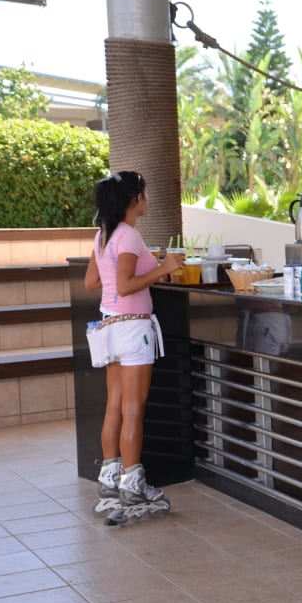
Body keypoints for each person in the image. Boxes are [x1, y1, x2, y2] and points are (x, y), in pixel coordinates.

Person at [84, 171, 182, 519]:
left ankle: (110, 480)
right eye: (144, 194)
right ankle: (133, 487)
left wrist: (125, 273)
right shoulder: (128, 235)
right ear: (135, 199)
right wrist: (163, 268)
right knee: (133, 408)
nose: (147, 199)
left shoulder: (104, 234)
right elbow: (126, 285)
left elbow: (91, 281)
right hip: (132, 328)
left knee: (114, 404)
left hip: (109, 325)